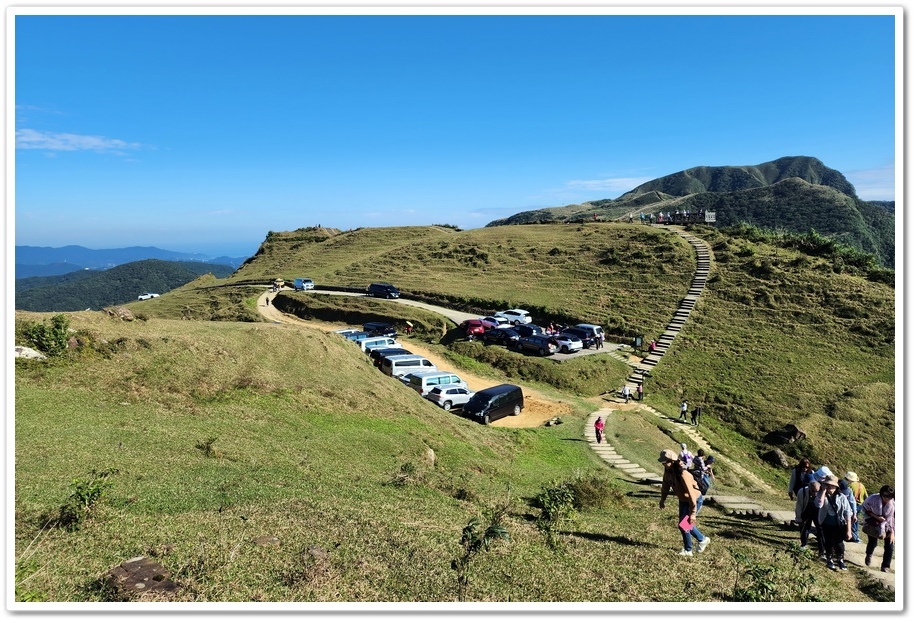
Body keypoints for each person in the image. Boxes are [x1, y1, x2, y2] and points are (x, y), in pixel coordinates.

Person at [658, 449, 710, 556]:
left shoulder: (683, 474)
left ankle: (689, 549)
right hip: (683, 501)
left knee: (684, 524)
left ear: (672, 461)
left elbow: (691, 494)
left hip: (694, 500)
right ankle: (700, 541)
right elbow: (665, 486)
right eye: (663, 462)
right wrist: (662, 500)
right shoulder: (668, 472)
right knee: (684, 525)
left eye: (666, 462)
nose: (664, 464)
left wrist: (693, 513)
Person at [816, 474, 854, 571]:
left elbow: (848, 513)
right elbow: (819, 504)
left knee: (839, 543)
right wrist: (823, 491)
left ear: (836, 487)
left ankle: (840, 559)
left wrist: (849, 530)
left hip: (838, 524)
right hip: (826, 523)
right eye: (828, 485)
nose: (830, 488)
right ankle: (829, 559)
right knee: (828, 542)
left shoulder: (842, 497)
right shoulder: (821, 495)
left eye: (832, 486)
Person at [862, 485, 895, 573]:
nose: (887, 498)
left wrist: (892, 532)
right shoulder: (872, 498)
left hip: (889, 524)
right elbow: (865, 508)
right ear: (881, 494)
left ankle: (885, 566)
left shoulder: (894, 503)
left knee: (890, 546)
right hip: (874, 522)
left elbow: (894, 518)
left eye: (890, 496)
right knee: (873, 542)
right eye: (885, 495)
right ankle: (869, 554)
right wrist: (876, 517)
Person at [795, 480, 823, 554]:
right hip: (806, 510)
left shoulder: (822, 492)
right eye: (813, 491)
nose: (815, 493)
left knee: (820, 530)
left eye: (817, 491)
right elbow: (799, 505)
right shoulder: (802, 492)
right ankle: (804, 545)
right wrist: (798, 518)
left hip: (818, 512)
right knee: (805, 528)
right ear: (809, 487)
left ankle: (822, 550)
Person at [845, 471, 867, 543]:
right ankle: (855, 536)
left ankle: (854, 537)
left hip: (852, 505)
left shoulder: (850, 486)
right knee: (855, 520)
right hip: (860, 505)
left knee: (851, 521)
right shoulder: (862, 485)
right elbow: (866, 496)